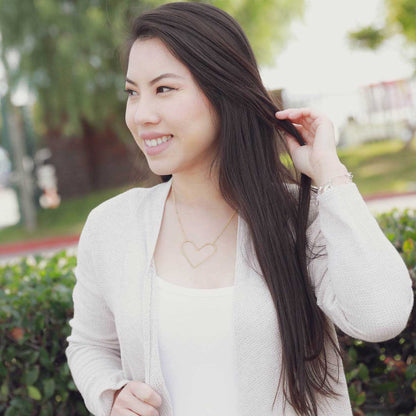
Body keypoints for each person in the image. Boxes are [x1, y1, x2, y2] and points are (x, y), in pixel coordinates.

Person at [65, 3, 414, 416]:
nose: (142, 114)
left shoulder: (300, 215)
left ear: (223, 91)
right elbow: (90, 344)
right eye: (132, 93)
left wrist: (330, 174)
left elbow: (382, 316)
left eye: (164, 89)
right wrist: (112, 392)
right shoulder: (112, 225)